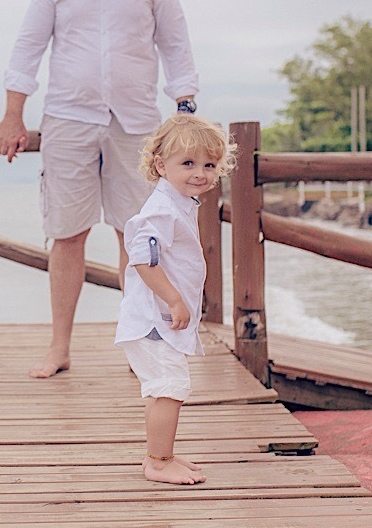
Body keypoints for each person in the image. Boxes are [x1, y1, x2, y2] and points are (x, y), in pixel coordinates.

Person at [0, 0, 199, 378]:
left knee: (138, 234)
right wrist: (12, 115)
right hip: (69, 120)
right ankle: (59, 347)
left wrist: (185, 108)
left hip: (137, 124)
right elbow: (27, 48)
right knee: (67, 234)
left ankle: (141, 344)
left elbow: (176, 45)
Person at [116, 113, 236, 484]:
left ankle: (162, 453)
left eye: (209, 165)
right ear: (160, 165)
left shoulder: (180, 201)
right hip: (154, 320)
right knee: (170, 388)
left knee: (162, 389)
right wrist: (175, 300)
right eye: (188, 163)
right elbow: (141, 259)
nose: (200, 173)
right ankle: (157, 462)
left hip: (155, 319)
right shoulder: (162, 210)